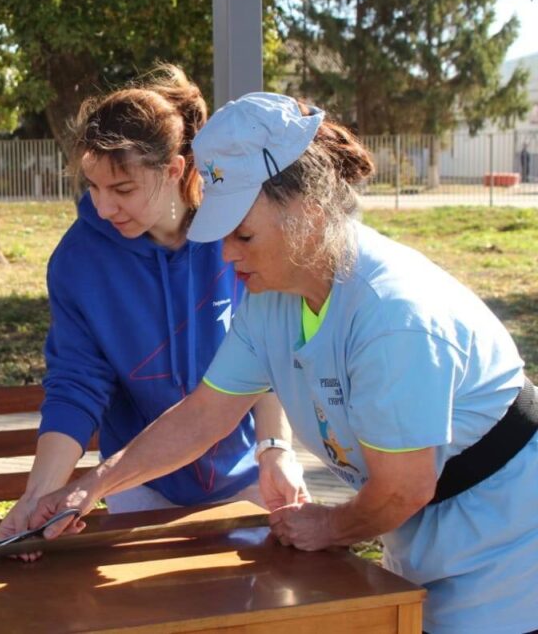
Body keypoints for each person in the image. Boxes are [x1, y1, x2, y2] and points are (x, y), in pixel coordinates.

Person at [29, 92, 538, 634]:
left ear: (309, 214)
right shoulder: (274, 298)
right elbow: (204, 416)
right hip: (424, 540)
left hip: (507, 548)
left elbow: (402, 489)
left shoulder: (393, 316)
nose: (226, 255)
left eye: (242, 234)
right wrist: (94, 485)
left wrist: (329, 524)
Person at [0, 68, 308, 555]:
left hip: (248, 476)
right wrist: (37, 498)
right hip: (137, 485)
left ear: (175, 170)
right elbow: (75, 387)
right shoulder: (77, 262)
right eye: (94, 187)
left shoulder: (236, 233)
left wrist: (276, 450)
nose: (103, 207)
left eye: (122, 190)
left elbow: (262, 358)